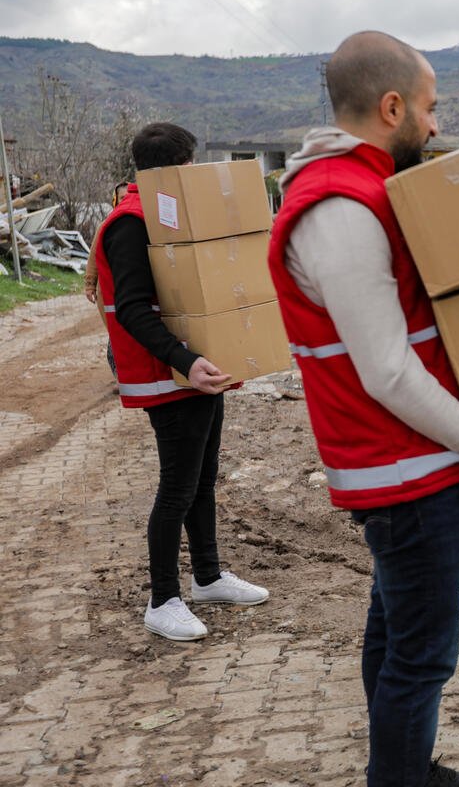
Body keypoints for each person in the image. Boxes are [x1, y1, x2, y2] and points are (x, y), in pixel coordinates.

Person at [267, 31, 459, 787]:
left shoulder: (364, 188)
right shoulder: (340, 207)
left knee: (397, 634)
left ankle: (409, 770)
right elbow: (389, 372)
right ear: (392, 105)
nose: (435, 126)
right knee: (422, 655)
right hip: (399, 468)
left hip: (407, 463)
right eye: (430, 109)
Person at [93, 124, 268, 643]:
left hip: (196, 373)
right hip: (165, 376)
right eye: (189, 165)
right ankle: (162, 599)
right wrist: (185, 360)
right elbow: (131, 309)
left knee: (202, 479)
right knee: (177, 488)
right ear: (173, 168)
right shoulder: (130, 223)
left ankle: (208, 577)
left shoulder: (165, 215)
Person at [86, 182, 129, 375]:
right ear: (115, 200)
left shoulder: (141, 221)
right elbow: (94, 256)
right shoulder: (107, 226)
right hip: (111, 290)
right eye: (122, 198)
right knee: (116, 331)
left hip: (134, 288)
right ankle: (119, 374)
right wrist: (90, 284)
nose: (126, 201)